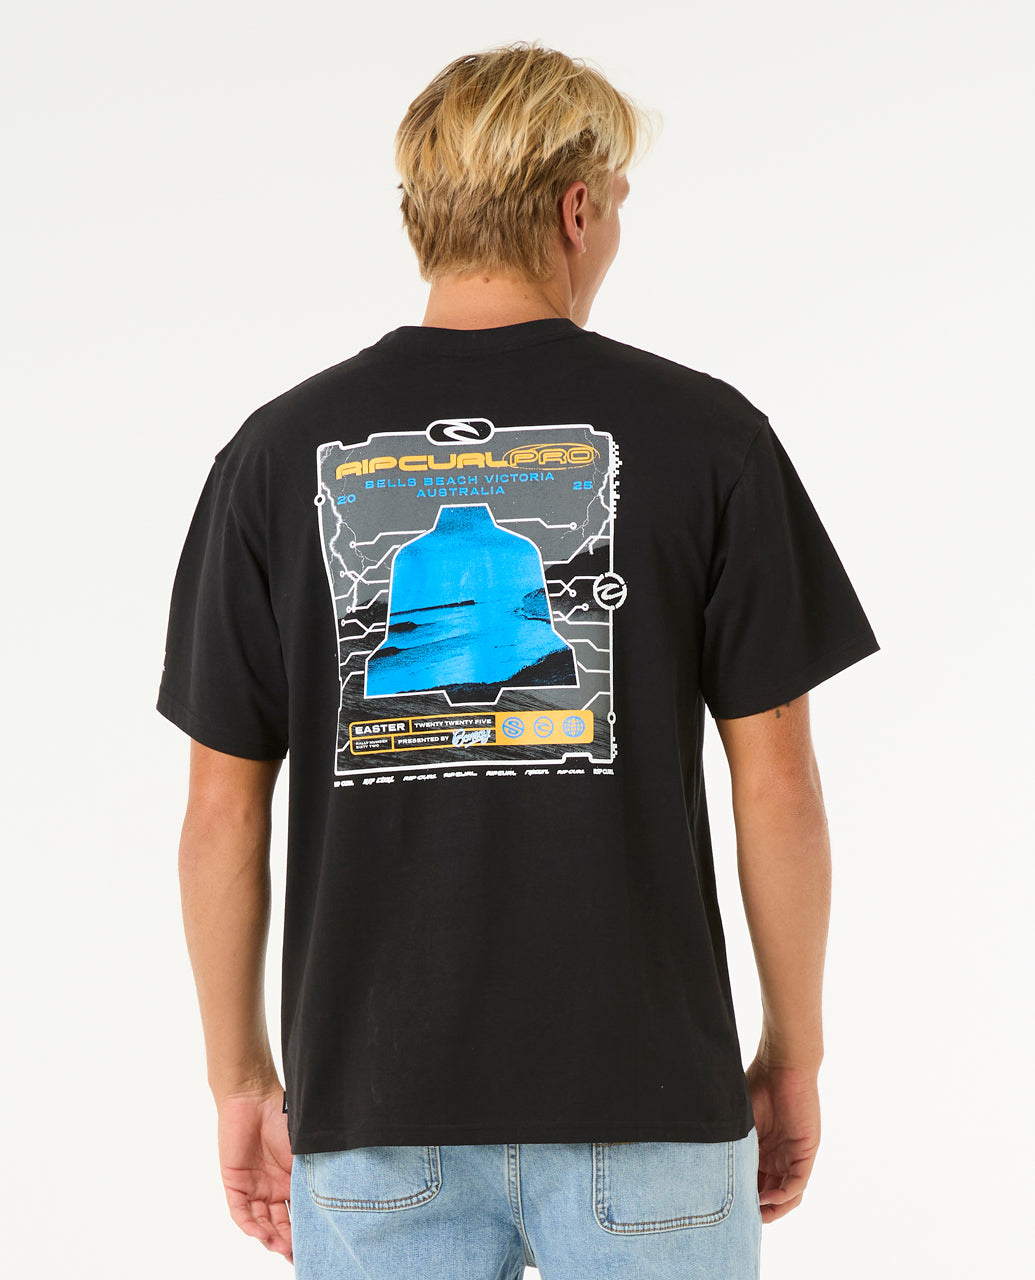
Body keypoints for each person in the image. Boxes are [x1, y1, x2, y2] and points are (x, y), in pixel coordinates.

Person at [158, 40, 879, 1280]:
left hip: (374, 1108)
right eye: (620, 205)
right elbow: (779, 786)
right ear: (576, 208)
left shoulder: (273, 455)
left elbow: (221, 811)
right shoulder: (709, 438)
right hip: (654, 1101)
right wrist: (793, 1050)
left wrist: (240, 1077)